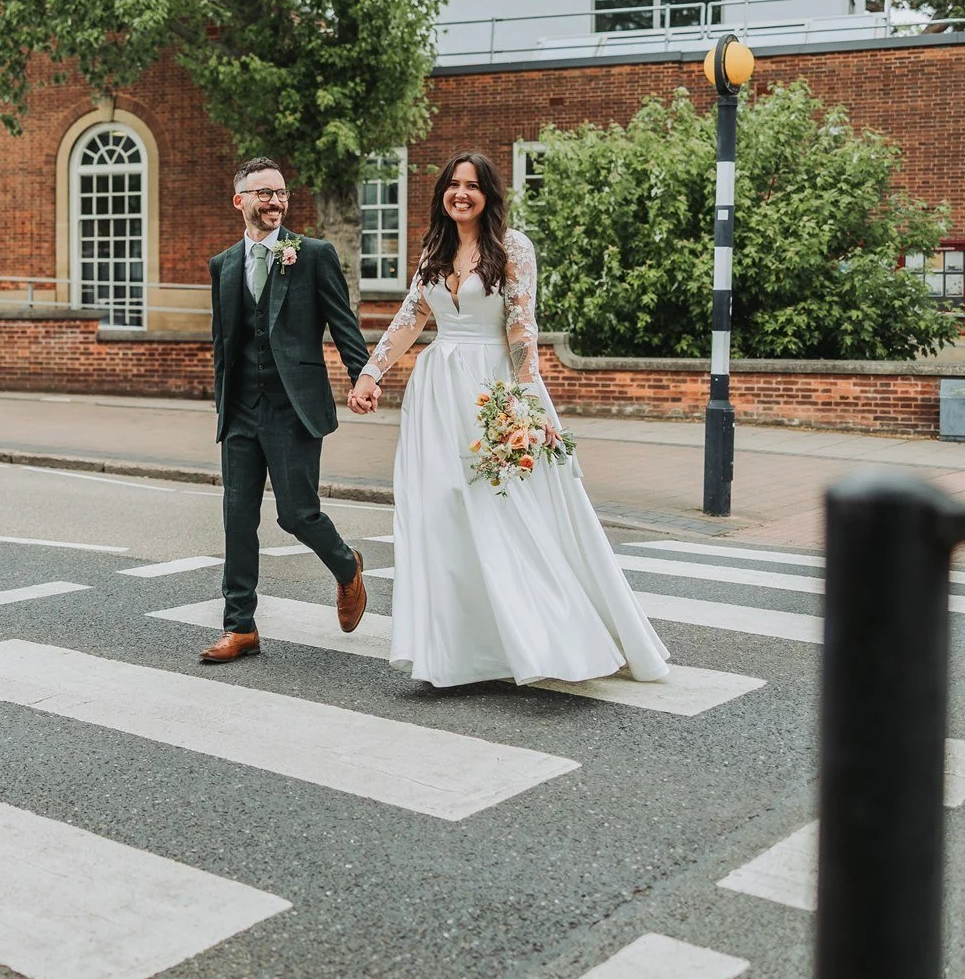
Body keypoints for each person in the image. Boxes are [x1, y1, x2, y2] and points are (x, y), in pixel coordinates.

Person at [347, 152, 669, 688]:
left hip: (492, 391)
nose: (461, 194)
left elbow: (522, 330)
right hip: (435, 397)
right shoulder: (435, 246)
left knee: (507, 510)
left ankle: (544, 639)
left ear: (489, 194)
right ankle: (456, 650)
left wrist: (527, 403)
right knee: (442, 511)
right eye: (453, 185)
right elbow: (411, 317)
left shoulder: (513, 247)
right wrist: (370, 374)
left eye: (472, 186)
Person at [200, 157, 373, 664]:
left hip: (293, 406)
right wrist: (223, 404)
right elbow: (222, 342)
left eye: (280, 193)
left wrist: (363, 376)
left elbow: (342, 324)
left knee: (297, 514)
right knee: (237, 517)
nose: (274, 201)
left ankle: (347, 568)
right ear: (241, 202)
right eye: (263, 193)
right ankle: (240, 626)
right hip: (240, 412)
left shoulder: (312, 254)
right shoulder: (224, 264)